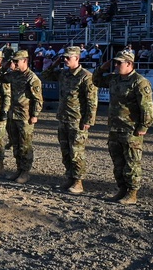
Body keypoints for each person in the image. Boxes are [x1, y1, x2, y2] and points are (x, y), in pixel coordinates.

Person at [93, 51, 153, 205]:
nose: (116, 65)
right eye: (115, 62)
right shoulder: (114, 79)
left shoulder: (139, 82)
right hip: (115, 128)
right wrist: (102, 67)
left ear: (129, 63)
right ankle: (122, 189)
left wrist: (144, 125)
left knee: (132, 162)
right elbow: (96, 81)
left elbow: (147, 108)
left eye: (119, 63)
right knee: (118, 162)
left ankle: (132, 193)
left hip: (131, 129)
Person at [41, 46, 98, 194]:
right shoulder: (64, 74)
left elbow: (92, 101)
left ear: (77, 59)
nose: (65, 60)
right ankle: (69, 178)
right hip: (63, 118)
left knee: (76, 152)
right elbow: (46, 75)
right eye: (64, 57)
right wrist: (55, 62)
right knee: (65, 151)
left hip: (77, 120)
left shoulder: (86, 76)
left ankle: (78, 182)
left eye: (68, 58)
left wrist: (88, 121)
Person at [1, 50, 43, 184]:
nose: (14, 63)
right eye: (13, 61)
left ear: (25, 61)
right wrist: (6, 66)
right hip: (13, 114)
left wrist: (35, 115)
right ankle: (18, 169)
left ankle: (25, 172)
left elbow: (38, 99)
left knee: (25, 145)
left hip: (25, 116)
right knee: (15, 143)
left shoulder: (32, 78)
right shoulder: (14, 75)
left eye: (16, 61)